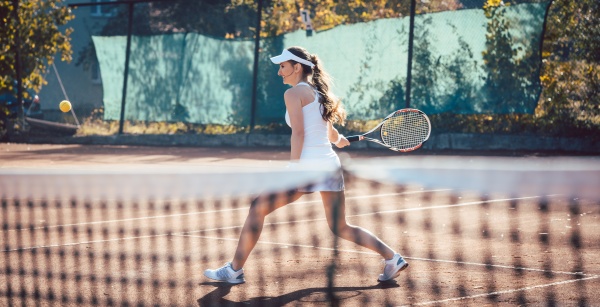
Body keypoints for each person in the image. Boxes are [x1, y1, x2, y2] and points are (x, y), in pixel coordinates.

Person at [204, 46, 408, 284]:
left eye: (283, 66)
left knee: (257, 207)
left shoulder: (293, 94)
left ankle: (234, 270)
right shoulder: (319, 92)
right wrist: (340, 140)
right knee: (340, 226)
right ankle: (392, 257)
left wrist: (295, 168)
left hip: (308, 168)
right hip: (330, 166)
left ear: (297, 67)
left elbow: (299, 133)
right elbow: (329, 132)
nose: (279, 72)